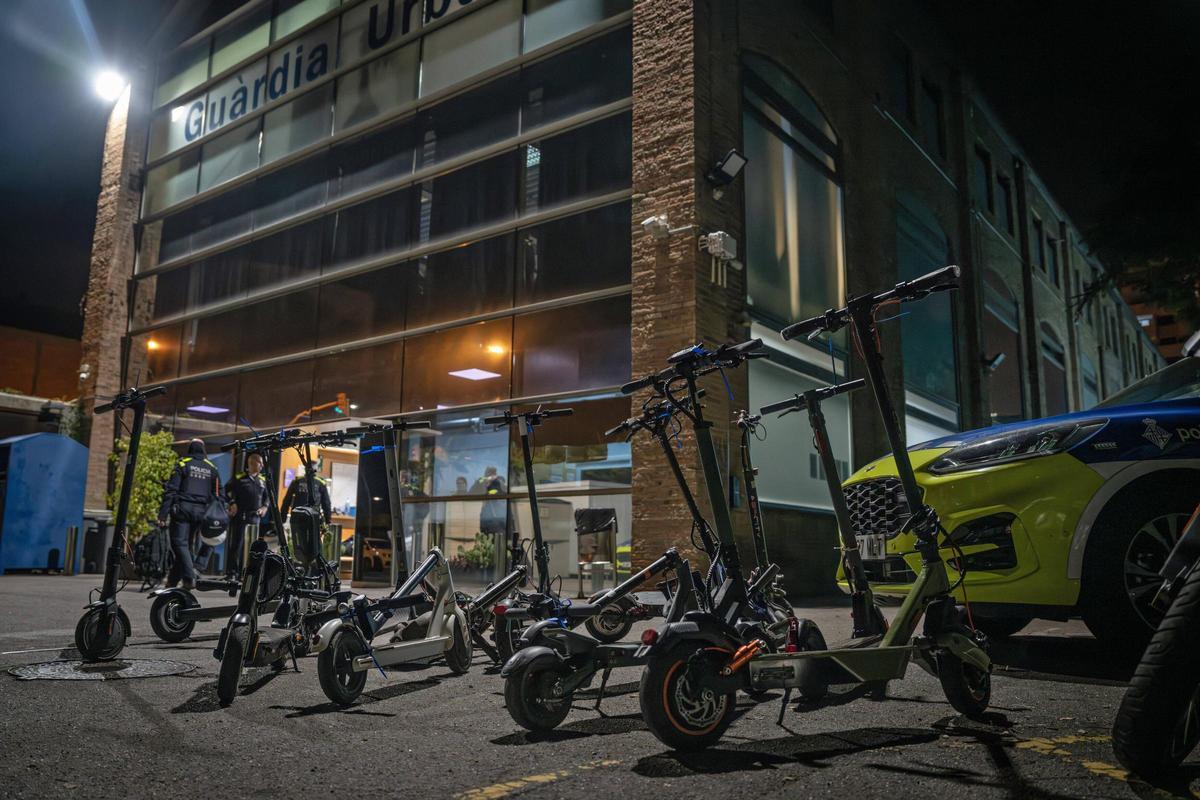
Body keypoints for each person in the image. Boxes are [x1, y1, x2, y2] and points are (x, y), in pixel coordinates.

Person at [158, 438, 223, 590]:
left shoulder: (182, 464)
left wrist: (163, 514)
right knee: (186, 546)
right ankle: (172, 582)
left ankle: (189, 577)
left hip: (182, 510)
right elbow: (218, 494)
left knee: (179, 544)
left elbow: (171, 490)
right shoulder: (212, 468)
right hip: (201, 513)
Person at [223, 452, 269, 580]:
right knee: (237, 545)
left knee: (251, 548)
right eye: (260, 463)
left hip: (255, 518)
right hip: (241, 516)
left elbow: (267, 498)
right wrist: (232, 503)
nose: (262, 466)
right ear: (252, 463)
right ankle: (232, 573)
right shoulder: (239, 478)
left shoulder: (263, 480)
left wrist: (265, 507)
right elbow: (223, 491)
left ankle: (246, 574)